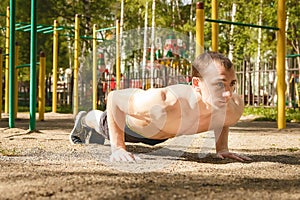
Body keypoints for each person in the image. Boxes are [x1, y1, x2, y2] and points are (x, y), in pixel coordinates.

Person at [70, 52, 251, 162]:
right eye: (219, 85)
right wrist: (118, 148)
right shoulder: (164, 102)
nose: (228, 93)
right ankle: (84, 119)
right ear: (196, 83)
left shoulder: (232, 105)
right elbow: (115, 98)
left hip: (160, 135)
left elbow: (223, 116)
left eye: (232, 84)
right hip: (129, 127)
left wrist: (222, 148)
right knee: (99, 120)